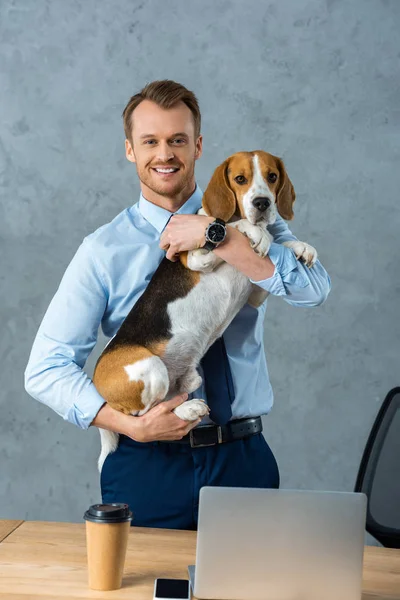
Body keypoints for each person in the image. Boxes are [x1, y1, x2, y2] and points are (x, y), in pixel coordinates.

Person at [24, 80, 331, 530]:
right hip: (148, 462)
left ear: (198, 146)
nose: (164, 154)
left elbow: (313, 290)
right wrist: (125, 424)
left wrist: (217, 235)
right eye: (150, 141)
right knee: (149, 595)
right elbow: (44, 369)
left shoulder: (252, 217)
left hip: (242, 455)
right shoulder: (103, 249)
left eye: (177, 140)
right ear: (130, 150)